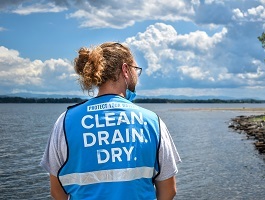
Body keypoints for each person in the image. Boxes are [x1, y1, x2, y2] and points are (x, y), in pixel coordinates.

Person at [40, 42, 181, 200]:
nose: (137, 77)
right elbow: (169, 190)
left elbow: (56, 191)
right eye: (136, 70)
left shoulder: (65, 121)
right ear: (125, 70)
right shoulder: (152, 121)